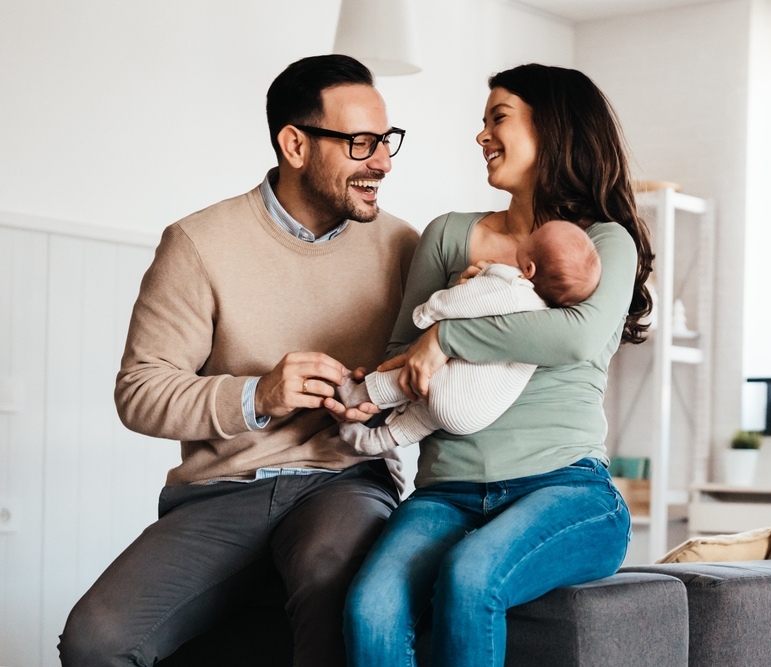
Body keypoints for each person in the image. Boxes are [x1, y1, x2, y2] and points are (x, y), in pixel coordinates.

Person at [58, 54, 419, 667]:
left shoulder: (404, 246)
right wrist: (258, 397)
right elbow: (140, 391)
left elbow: (427, 378)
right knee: (97, 641)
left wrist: (382, 397)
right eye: (360, 143)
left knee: (335, 585)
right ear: (295, 144)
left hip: (344, 480)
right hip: (220, 494)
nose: (381, 161)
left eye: (386, 141)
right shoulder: (198, 244)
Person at [343, 63, 655, 667]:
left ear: (553, 129)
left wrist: (454, 333)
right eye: (484, 122)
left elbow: (577, 339)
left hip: (567, 487)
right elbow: (400, 358)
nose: (482, 135)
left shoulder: (605, 240)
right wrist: (369, 388)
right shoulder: (448, 237)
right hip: (447, 493)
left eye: (498, 118)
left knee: (471, 573)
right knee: (369, 606)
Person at [336, 219, 602, 454]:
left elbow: (463, 300)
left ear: (529, 269)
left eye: (536, 234)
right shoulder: (543, 319)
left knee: (420, 372)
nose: (531, 233)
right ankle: (376, 441)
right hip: (475, 415)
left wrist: (428, 311)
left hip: (449, 390)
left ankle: (359, 394)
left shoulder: (512, 284)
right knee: (424, 419)